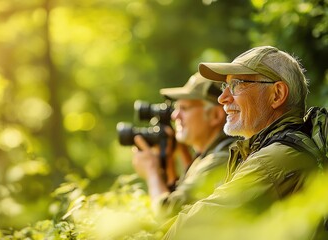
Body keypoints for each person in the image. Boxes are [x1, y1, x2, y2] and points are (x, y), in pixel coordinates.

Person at [163, 46, 324, 239]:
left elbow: (193, 227)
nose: (223, 98)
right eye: (225, 87)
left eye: (237, 85)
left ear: (277, 94)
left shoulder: (274, 159)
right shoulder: (273, 150)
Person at [132, 72, 236, 219]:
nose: (174, 116)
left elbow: (169, 213)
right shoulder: (210, 153)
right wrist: (170, 160)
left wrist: (151, 171)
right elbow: (181, 192)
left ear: (215, 116)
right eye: (176, 108)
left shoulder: (222, 158)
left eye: (184, 108)